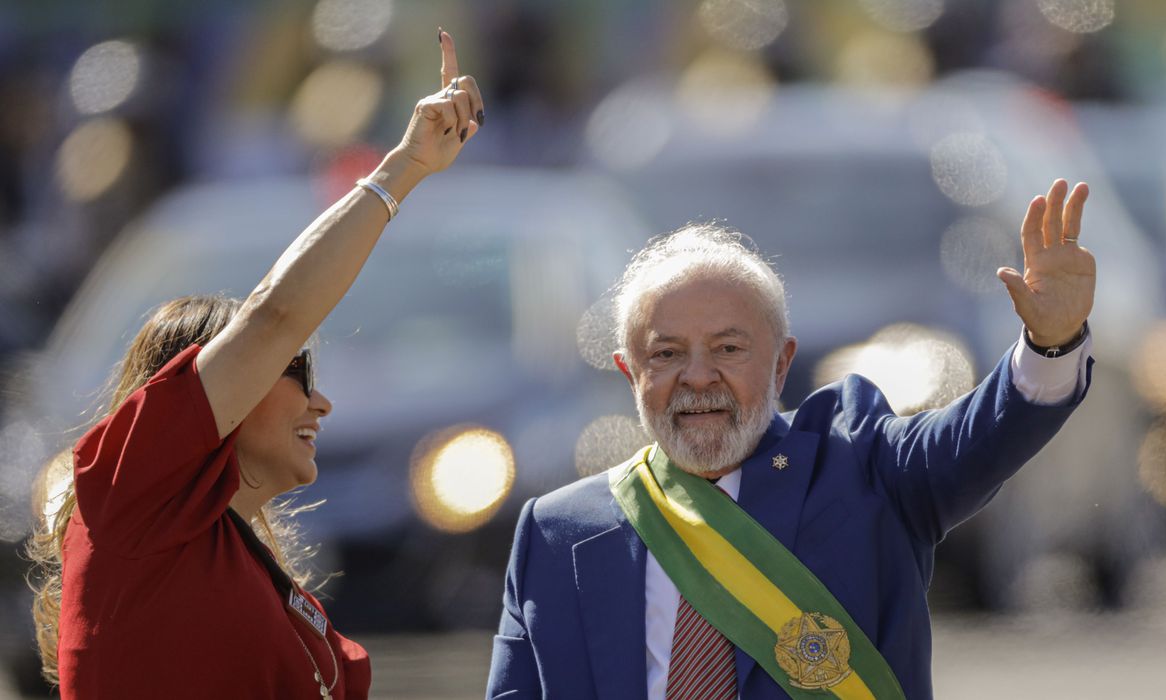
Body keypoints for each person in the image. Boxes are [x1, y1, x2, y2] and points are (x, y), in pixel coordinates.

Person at [486, 180, 1095, 699]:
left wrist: (1051, 346)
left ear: (781, 365)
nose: (698, 377)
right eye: (667, 354)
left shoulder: (867, 475)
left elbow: (978, 438)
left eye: (728, 349)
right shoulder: (557, 532)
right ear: (629, 373)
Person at [25, 30, 484, 699]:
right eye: (295, 376)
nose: (320, 404)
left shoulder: (242, 567)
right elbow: (276, 316)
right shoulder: (134, 494)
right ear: (210, 396)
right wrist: (402, 168)